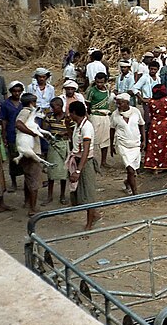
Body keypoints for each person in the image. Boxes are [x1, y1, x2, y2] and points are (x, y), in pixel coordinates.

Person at [66, 101, 101, 230]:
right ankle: (94, 216)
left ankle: (89, 224)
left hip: (84, 163)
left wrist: (79, 171)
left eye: (70, 112)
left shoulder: (86, 127)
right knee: (78, 192)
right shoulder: (78, 125)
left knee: (88, 194)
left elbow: (85, 150)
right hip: (77, 160)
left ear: (74, 113)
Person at [14, 94, 48, 215]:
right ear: (31, 103)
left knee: (28, 176)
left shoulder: (25, 112)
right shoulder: (26, 112)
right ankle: (32, 208)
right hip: (31, 149)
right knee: (34, 178)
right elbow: (18, 124)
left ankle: (27, 202)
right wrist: (32, 133)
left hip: (26, 148)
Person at [110, 93, 145, 195]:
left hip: (135, 144)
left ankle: (127, 182)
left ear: (127, 103)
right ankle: (135, 194)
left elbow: (141, 125)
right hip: (122, 144)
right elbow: (112, 129)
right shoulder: (115, 115)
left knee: (133, 170)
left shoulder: (135, 112)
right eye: (117, 104)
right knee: (130, 170)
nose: (118, 106)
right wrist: (111, 145)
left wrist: (144, 140)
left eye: (120, 103)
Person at [143, 84, 167, 172]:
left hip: (155, 125)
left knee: (156, 145)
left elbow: (150, 114)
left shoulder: (151, 101)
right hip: (166, 125)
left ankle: (155, 165)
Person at [42, 97, 69, 205]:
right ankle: (50, 196)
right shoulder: (49, 117)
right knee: (51, 171)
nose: (52, 109)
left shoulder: (67, 118)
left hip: (63, 144)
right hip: (53, 145)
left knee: (63, 172)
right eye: (51, 107)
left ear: (60, 106)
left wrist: (65, 132)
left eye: (54, 107)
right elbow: (44, 130)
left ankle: (62, 195)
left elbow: (71, 131)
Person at [0, 80, 25, 191]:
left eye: (19, 91)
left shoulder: (24, 103)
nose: (17, 93)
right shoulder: (5, 104)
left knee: (24, 158)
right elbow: (4, 120)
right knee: (13, 158)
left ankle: (25, 182)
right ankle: (14, 182)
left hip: (23, 134)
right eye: (14, 91)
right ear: (11, 92)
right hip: (11, 134)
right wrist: (4, 135)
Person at [85, 72, 114, 168]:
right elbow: (88, 105)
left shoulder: (107, 90)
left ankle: (103, 161)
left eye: (101, 82)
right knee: (94, 139)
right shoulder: (92, 91)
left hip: (105, 116)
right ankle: (92, 161)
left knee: (105, 139)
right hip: (95, 116)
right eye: (97, 82)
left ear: (105, 82)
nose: (99, 84)